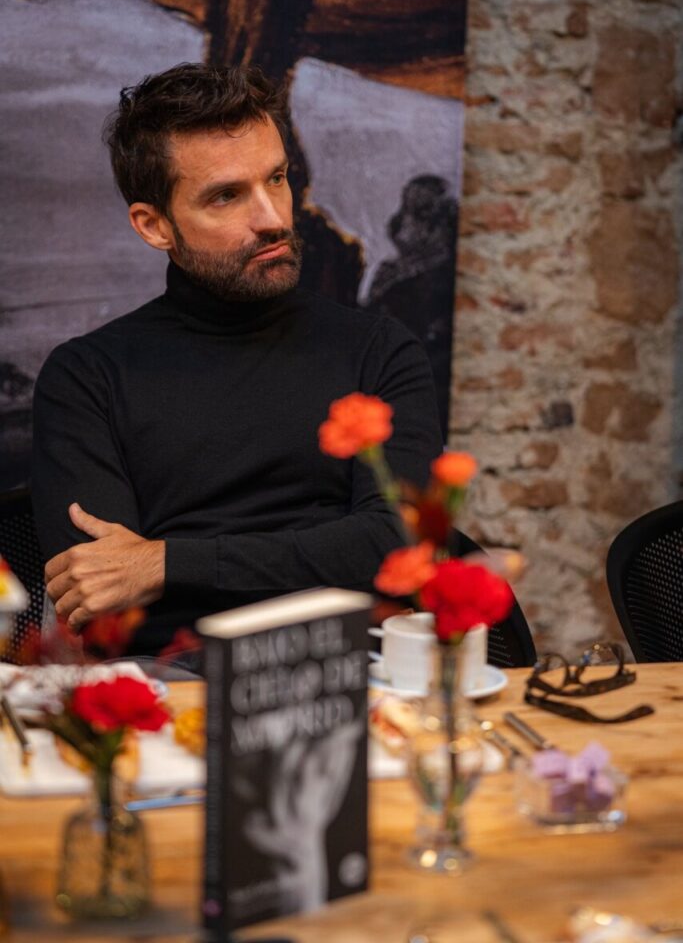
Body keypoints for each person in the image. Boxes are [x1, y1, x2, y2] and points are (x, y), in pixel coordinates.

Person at [31, 63, 443, 655]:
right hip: (175, 694)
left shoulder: (378, 350)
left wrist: (168, 563)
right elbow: (101, 591)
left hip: (363, 676)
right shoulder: (87, 378)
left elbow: (397, 545)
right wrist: (330, 552)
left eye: (276, 179)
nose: (273, 218)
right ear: (154, 226)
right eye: (227, 196)